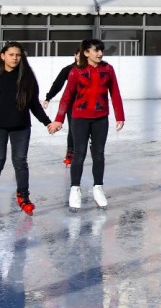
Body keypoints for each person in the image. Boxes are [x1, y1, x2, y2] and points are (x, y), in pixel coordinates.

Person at [48, 39, 124, 211]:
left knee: (98, 155)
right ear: (86, 52)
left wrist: (120, 116)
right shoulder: (76, 71)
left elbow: (115, 93)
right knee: (79, 154)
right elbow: (67, 96)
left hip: (100, 118)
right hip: (80, 118)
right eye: (96, 50)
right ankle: (75, 189)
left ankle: (98, 188)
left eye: (101, 50)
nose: (100, 53)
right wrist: (59, 118)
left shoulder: (108, 69)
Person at [0, 43, 51, 215]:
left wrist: (47, 122)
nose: (15, 58)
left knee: (20, 162)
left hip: (21, 126)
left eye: (18, 55)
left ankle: (23, 196)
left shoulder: (27, 77)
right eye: (11, 54)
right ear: (3, 56)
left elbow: (34, 104)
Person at [45, 48, 84, 168]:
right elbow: (58, 84)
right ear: (75, 56)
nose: (82, 57)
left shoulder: (90, 69)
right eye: (79, 55)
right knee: (73, 129)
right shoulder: (68, 70)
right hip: (72, 104)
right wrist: (48, 97)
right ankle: (70, 153)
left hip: (87, 105)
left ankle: (88, 149)